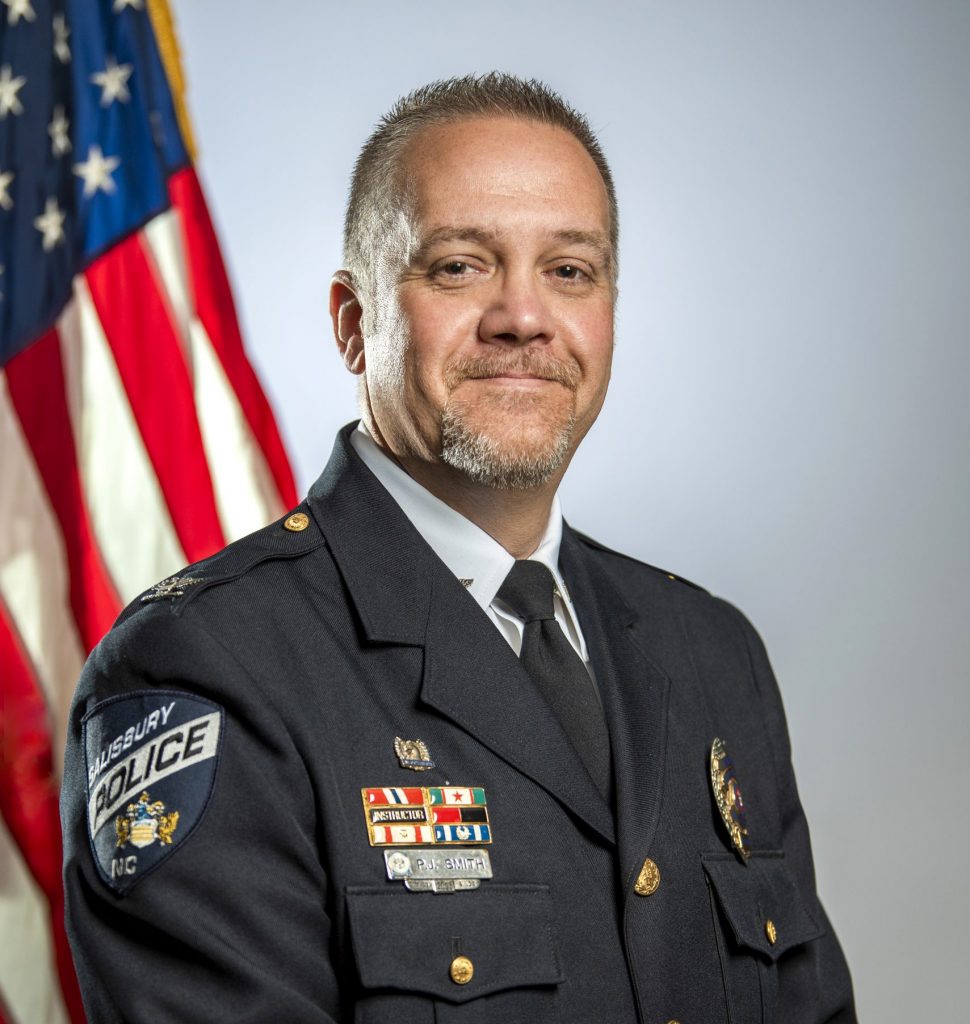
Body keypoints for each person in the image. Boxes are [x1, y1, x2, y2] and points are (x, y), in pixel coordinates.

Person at [62, 73, 856, 1023]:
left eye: (570, 270)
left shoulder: (713, 653)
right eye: (459, 266)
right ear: (355, 326)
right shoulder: (211, 665)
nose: (524, 318)